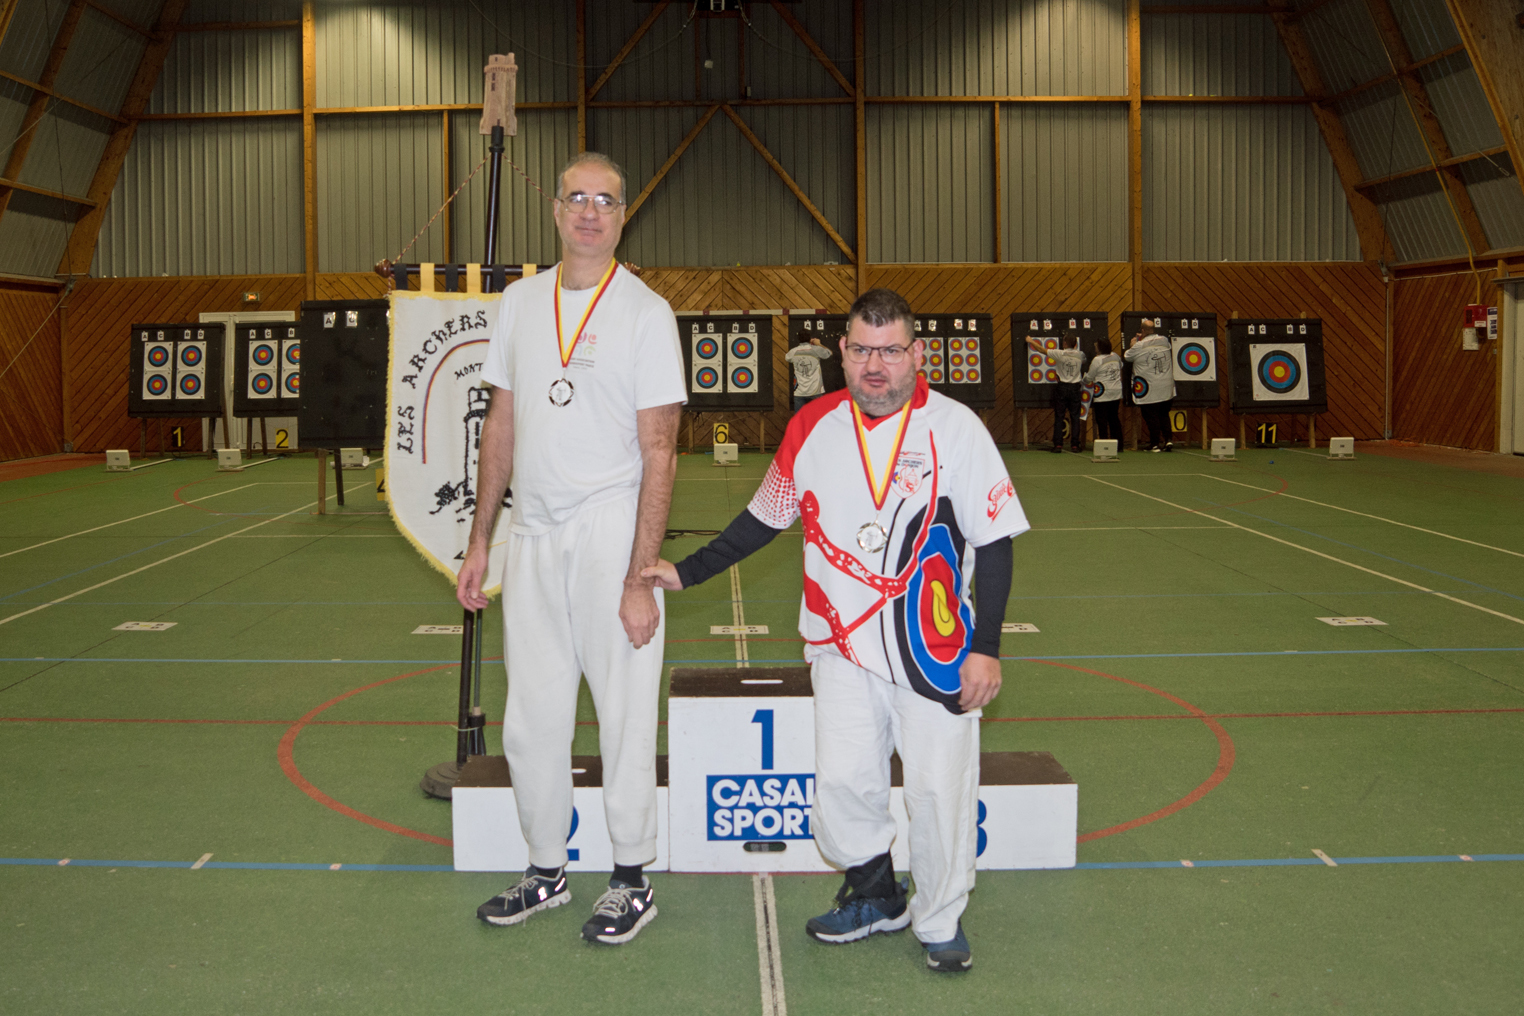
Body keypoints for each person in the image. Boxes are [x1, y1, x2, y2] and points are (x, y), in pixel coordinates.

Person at [643, 287, 1029, 973]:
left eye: (890, 351)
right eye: (862, 351)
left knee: (939, 791)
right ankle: (876, 895)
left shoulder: (956, 428)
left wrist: (987, 648)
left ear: (916, 354)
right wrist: (688, 572)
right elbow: (764, 517)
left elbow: (994, 541)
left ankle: (939, 918)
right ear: (842, 353)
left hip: (933, 651)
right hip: (840, 645)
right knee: (845, 784)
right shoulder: (812, 426)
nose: (875, 366)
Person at [456, 151, 685, 945]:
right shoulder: (521, 303)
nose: (590, 211)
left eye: (606, 200)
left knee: (623, 715)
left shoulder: (647, 313)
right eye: (577, 198)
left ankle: (630, 879)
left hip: (610, 530)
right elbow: (502, 425)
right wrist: (481, 540)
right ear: (555, 210)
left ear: (624, 216)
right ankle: (546, 869)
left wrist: (638, 577)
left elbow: (661, 450)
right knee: (531, 719)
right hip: (532, 532)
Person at [1028, 331, 1085, 453]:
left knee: (1059, 416)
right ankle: (1075, 445)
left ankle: (1058, 445)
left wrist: (1031, 341)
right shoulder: (1080, 355)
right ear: (1075, 344)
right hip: (1075, 388)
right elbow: (1084, 361)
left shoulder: (1060, 353)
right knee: (1075, 417)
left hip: (1062, 387)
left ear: (1065, 344)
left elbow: (1041, 350)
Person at [1125, 318, 1175, 452]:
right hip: (1166, 386)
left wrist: (1133, 344)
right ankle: (1168, 440)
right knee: (1164, 414)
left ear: (1142, 330)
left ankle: (1154, 444)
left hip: (1149, 388)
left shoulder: (1139, 345)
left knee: (1151, 416)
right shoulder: (1164, 340)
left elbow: (1128, 357)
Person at [1086, 337, 1123, 447]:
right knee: (1114, 418)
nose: (1095, 347)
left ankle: (1105, 446)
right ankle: (1119, 445)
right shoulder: (1115, 356)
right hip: (1116, 392)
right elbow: (1121, 366)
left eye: (1096, 346)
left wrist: (1083, 380)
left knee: (1102, 420)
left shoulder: (1097, 360)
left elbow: (1090, 377)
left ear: (1100, 348)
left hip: (1102, 394)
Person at [787, 334, 833, 412]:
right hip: (816, 391)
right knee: (818, 418)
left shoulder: (793, 351)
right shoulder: (816, 349)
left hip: (799, 392)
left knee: (799, 418)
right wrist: (819, 344)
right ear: (810, 339)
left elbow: (787, 358)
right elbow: (829, 353)